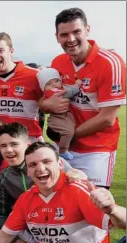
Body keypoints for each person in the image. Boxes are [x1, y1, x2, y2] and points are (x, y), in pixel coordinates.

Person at [42, 7, 126, 188]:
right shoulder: (58, 62)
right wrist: (47, 105)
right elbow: (46, 102)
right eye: (64, 34)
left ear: (87, 30)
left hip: (96, 150)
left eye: (76, 32)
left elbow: (107, 119)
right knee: (61, 206)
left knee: (93, 206)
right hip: (63, 147)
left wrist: (67, 136)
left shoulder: (110, 63)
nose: (70, 39)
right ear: (57, 37)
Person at [0, 32, 44, 142]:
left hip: (29, 140)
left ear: (11, 51)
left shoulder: (35, 75)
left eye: (0, 51)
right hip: (3, 141)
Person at [37, 67, 82, 160]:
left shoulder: (54, 90)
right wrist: (77, 84)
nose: (54, 84)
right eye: (49, 83)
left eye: (56, 81)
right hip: (57, 118)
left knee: (70, 129)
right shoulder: (52, 92)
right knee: (68, 132)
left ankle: (64, 147)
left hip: (63, 116)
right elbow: (70, 91)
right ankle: (63, 151)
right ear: (43, 88)